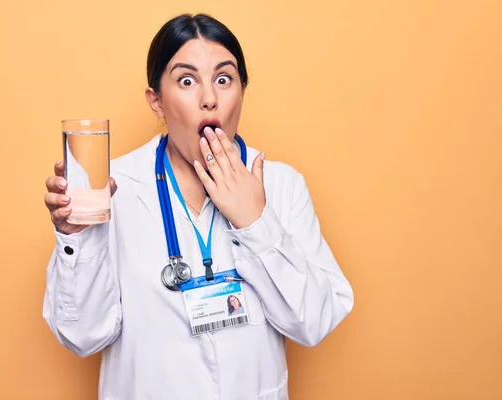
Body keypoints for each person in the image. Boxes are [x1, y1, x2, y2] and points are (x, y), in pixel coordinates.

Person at [43, 13, 354, 400]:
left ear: (242, 89)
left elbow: (316, 321)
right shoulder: (112, 188)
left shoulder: (281, 184)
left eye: (224, 79)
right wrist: (78, 238)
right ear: (156, 101)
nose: (209, 97)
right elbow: (83, 336)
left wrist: (256, 222)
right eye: (186, 81)